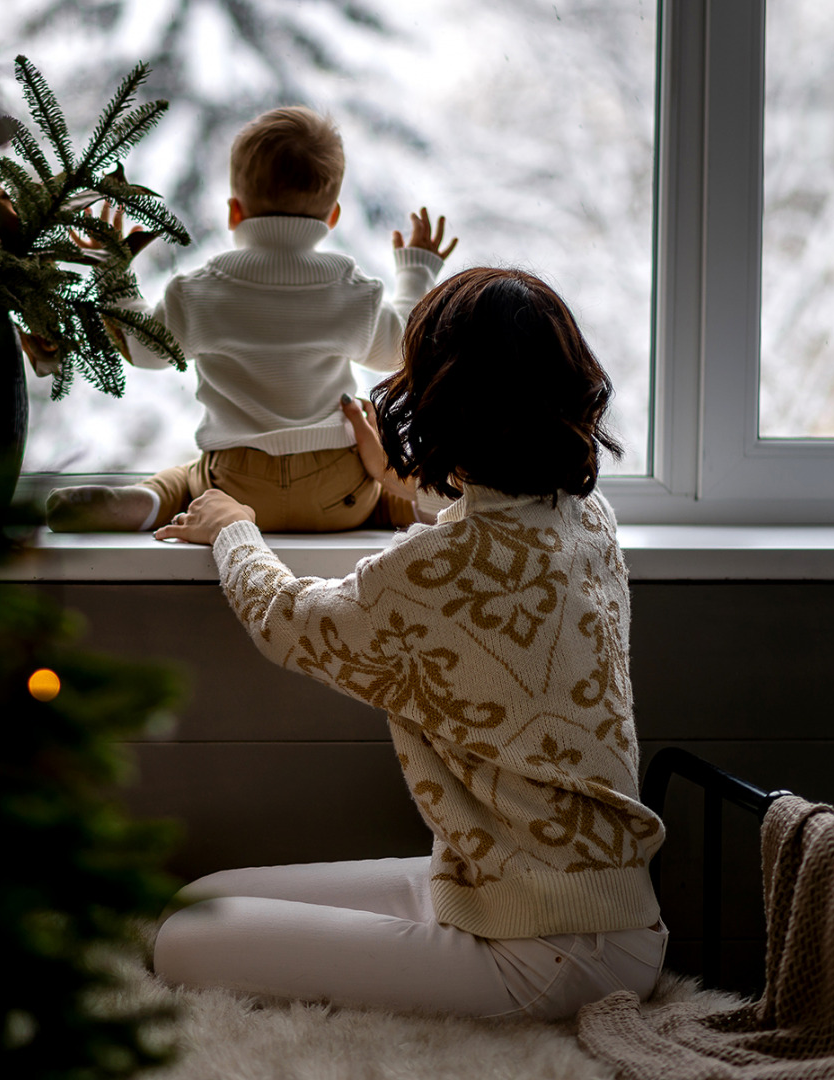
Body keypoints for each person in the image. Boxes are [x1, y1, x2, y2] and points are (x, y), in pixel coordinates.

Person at [146, 267, 668, 1020]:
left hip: (549, 952)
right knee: (199, 900)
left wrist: (233, 528)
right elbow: (489, 528)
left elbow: (289, 620)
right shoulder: (584, 518)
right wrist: (396, 481)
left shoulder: (430, 570)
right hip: (542, 896)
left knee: (180, 941)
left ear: (439, 405)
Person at [45, 105, 456, 533]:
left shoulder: (200, 289)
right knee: (380, 494)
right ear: (332, 217)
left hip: (237, 484)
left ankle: (146, 502)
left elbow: (145, 350)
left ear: (234, 212)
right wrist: (416, 272)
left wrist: (112, 272)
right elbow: (399, 350)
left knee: (185, 481)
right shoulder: (352, 289)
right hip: (335, 485)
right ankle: (433, 510)